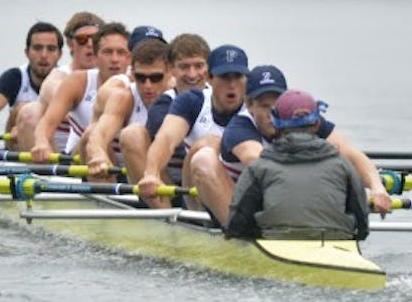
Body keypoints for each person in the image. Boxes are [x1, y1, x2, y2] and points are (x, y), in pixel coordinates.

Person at [191, 64, 392, 225]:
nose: (271, 114)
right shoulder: (240, 128)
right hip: (238, 205)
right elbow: (261, 162)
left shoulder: (302, 120)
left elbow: (352, 155)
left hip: (279, 203)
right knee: (203, 159)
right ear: (249, 105)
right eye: (263, 106)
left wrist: (377, 188)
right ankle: (235, 235)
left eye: (276, 105)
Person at [225, 89, 370, 242]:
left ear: (276, 124)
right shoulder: (343, 165)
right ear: (317, 124)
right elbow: (362, 223)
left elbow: (236, 224)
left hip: (275, 241)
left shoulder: (259, 167)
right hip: (335, 241)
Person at [136, 43, 248, 208]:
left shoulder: (257, 106)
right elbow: (166, 139)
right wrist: (151, 173)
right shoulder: (193, 101)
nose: (231, 85)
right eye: (224, 77)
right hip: (196, 196)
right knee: (207, 146)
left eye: (237, 77)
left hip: (244, 195)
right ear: (209, 77)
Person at [30, 21, 132, 162]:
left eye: (121, 52)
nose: (114, 59)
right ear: (95, 58)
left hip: (126, 166)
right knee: (92, 132)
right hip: (81, 160)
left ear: (129, 58)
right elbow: (47, 123)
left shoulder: (142, 83)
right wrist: (41, 142)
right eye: (107, 52)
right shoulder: (78, 82)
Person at [81, 35, 174, 180]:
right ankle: (107, 200)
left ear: (170, 71)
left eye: (156, 78)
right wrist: (98, 154)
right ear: (131, 73)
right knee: (91, 132)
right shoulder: (124, 96)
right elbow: (98, 136)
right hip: (133, 178)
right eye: (141, 78)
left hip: (173, 181)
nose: (147, 86)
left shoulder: (179, 97)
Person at [14, 11, 102, 152]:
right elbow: (55, 92)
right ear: (70, 44)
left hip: (94, 147)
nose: (90, 44)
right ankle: (44, 170)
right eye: (82, 39)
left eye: (95, 38)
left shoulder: (118, 75)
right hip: (60, 155)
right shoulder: (58, 76)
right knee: (29, 111)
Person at [0, 21, 62, 148]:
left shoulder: (67, 81)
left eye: (51, 49)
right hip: (16, 145)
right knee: (22, 109)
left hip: (53, 147)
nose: (44, 55)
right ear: (27, 52)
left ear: (60, 54)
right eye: (37, 48)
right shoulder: (15, 77)